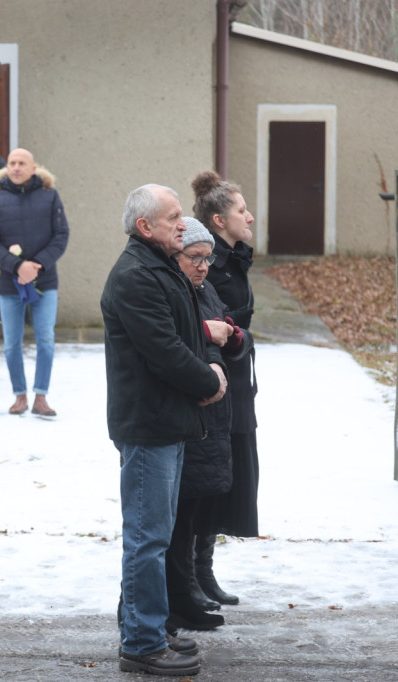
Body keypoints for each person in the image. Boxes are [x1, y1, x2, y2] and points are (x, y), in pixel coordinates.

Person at [102, 183, 226, 676]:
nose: (182, 222)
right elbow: (166, 350)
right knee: (147, 539)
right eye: (173, 216)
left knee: (155, 535)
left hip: (168, 422)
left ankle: (150, 630)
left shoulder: (161, 270)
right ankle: (141, 643)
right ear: (144, 226)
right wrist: (208, 381)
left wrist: (209, 369)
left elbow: (195, 330)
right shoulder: (136, 276)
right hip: (148, 424)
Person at [164, 218, 251, 633]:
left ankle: (188, 591)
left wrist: (231, 336)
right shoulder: (171, 290)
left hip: (214, 419)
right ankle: (179, 596)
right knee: (177, 518)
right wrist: (208, 334)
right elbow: (169, 338)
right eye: (195, 258)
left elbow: (234, 332)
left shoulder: (205, 289)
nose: (203, 266)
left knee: (195, 511)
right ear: (176, 256)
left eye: (206, 258)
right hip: (190, 417)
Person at [191, 169, 259, 607]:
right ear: (219, 220)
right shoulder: (207, 268)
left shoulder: (233, 260)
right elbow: (212, 329)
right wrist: (235, 337)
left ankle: (204, 572)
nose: (249, 217)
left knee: (228, 476)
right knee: (209, 480)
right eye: (241, 210)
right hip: (215, 386)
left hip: (237, 384)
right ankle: (193, 576)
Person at [0, 148, 70, 418]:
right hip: (9, 282)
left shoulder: (49, 195)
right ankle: (19, 395)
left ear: (33, 169)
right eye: (12, 163)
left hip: (45, 279)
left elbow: (61, 235)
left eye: (22, 163)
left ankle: (41, 396)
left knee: (45, 339)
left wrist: (37, 265)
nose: (16, 167)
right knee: (11, 343)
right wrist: (17, 265)